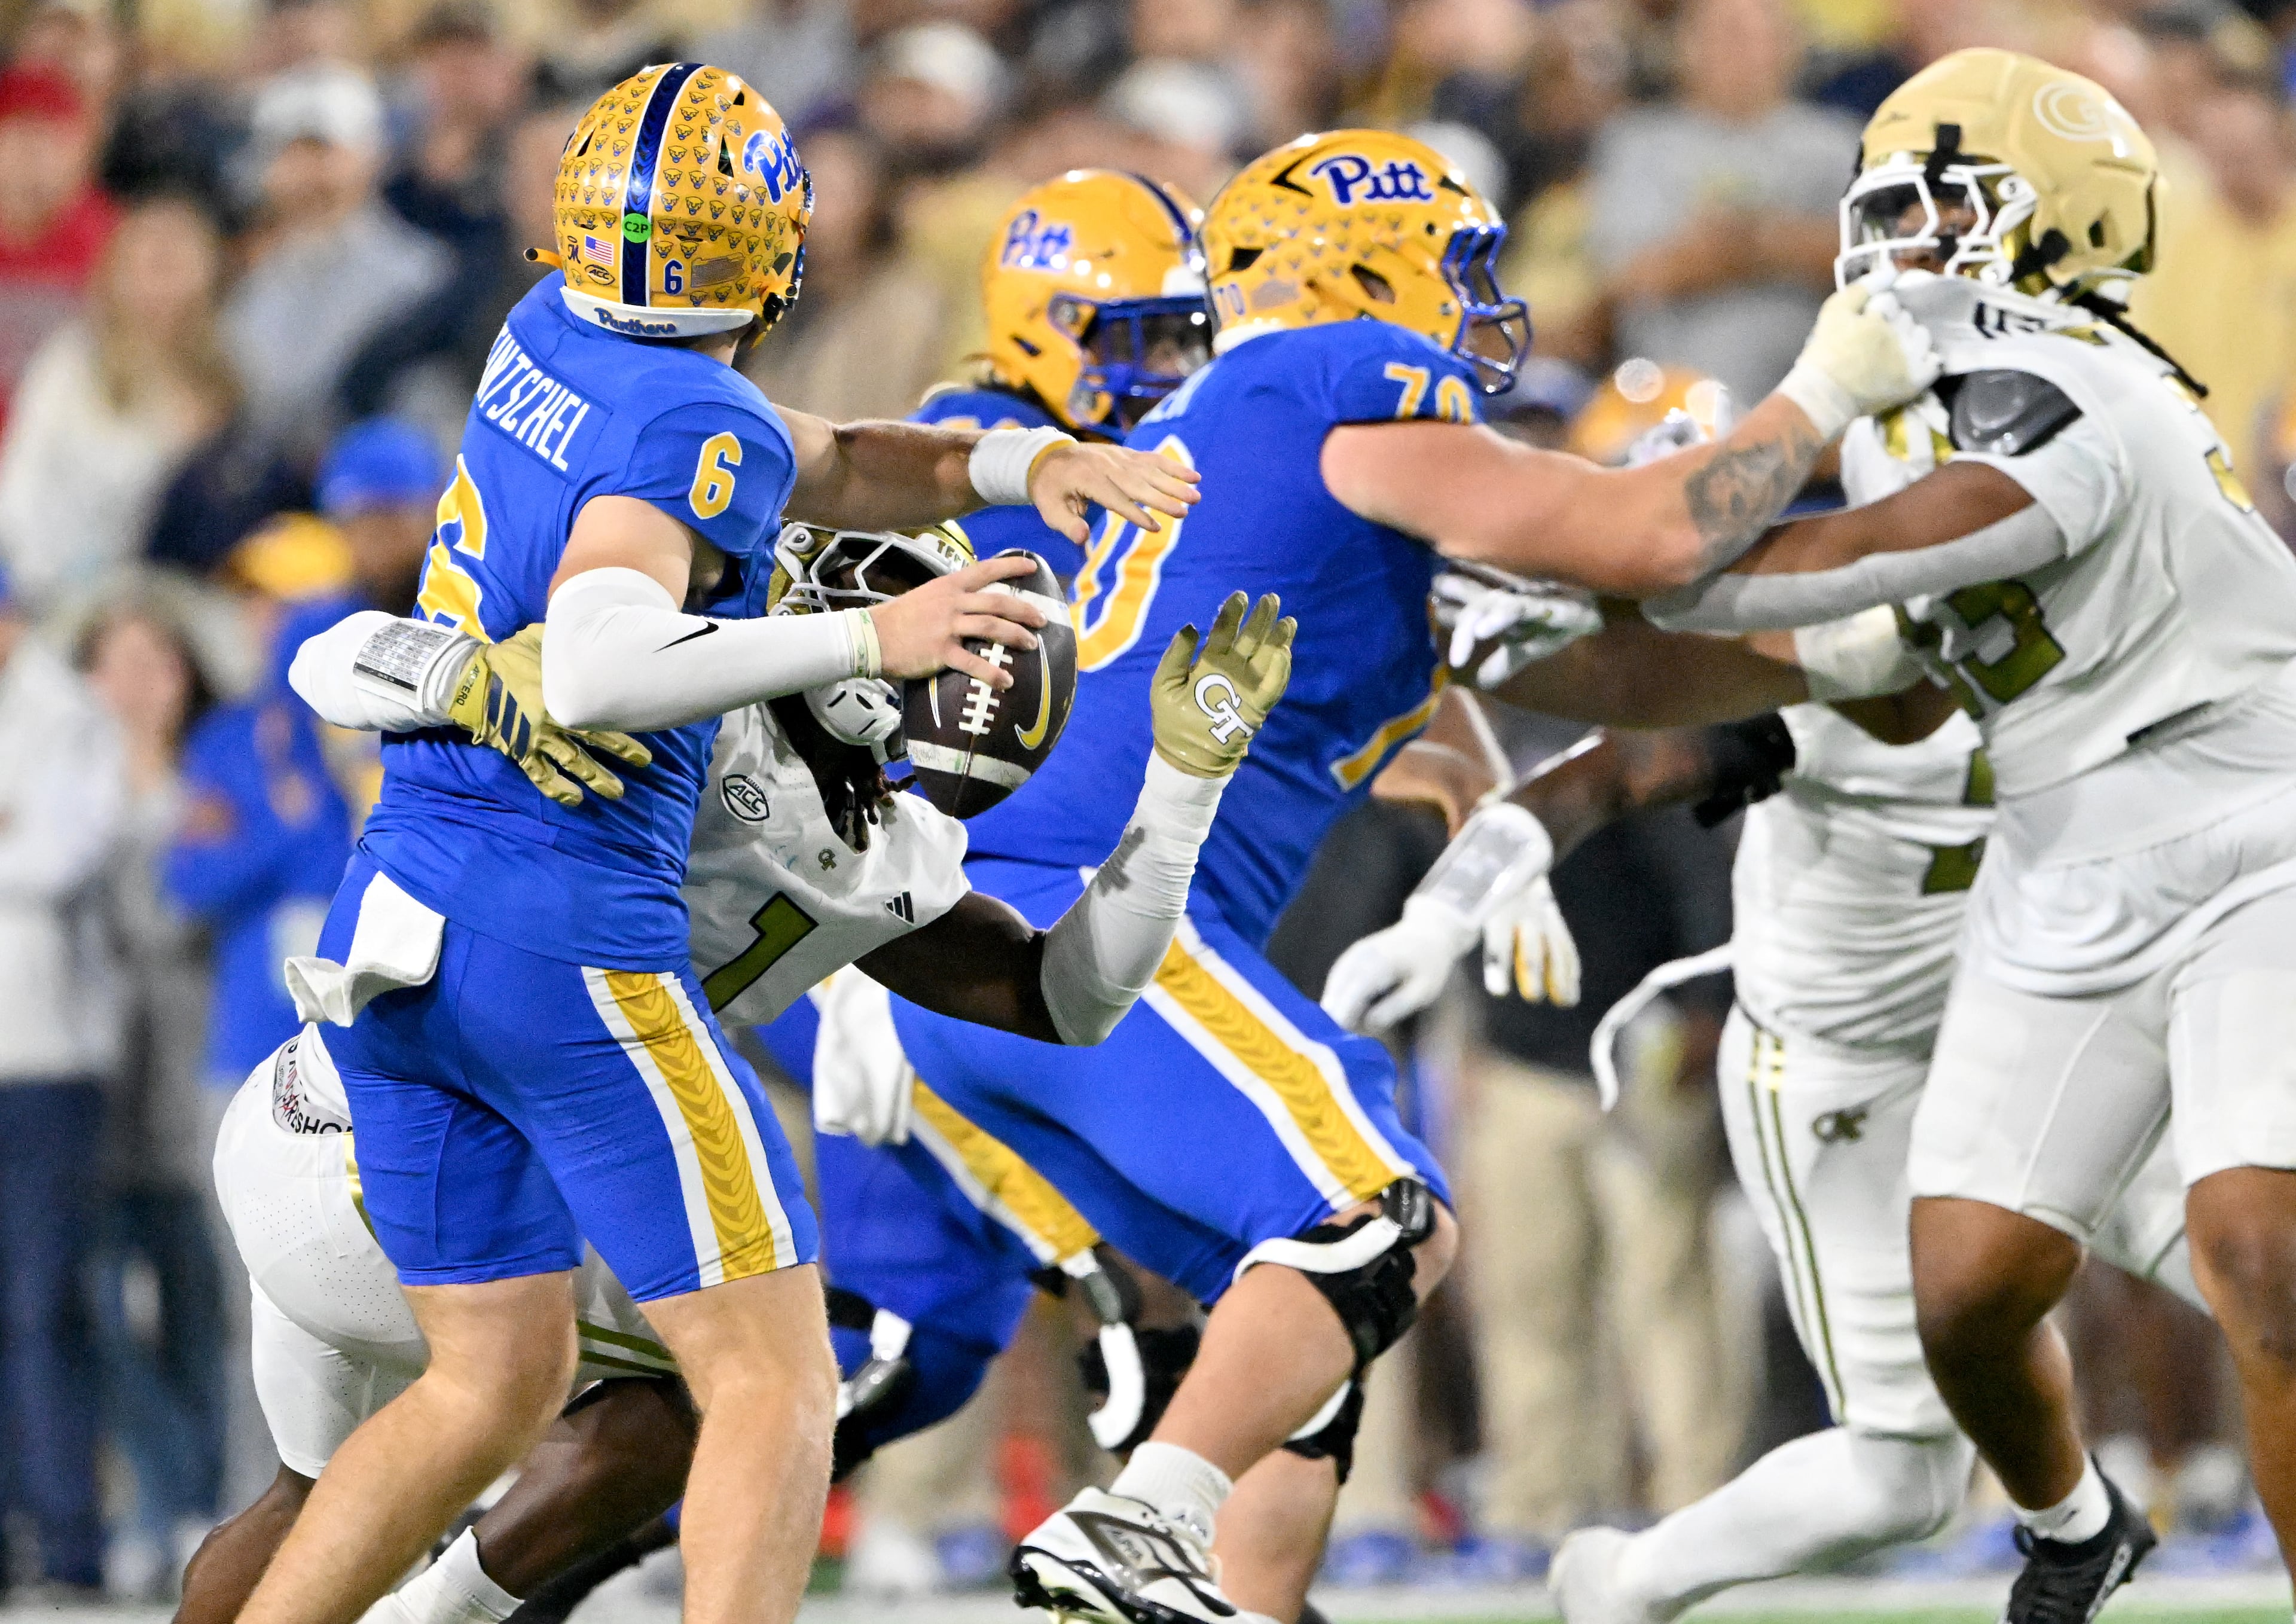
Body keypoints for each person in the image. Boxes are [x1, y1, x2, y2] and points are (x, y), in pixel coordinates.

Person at [882, 125, 1934, 1624]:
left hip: (1025, 951)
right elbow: (1643, 535)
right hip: (1081, 922)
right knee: (1375, 1216)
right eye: (1450, 265)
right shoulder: (1321, 379)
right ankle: (1135, 1528)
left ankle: (1215, 1587)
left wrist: (1846, 655)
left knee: (1305, 1343)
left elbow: (1614, 668)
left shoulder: (1290, 465)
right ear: (1358, 277)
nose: (1473, 301)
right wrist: (1819, 390)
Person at [230, 62, 1194, 1624]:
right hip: (560, 944)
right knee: (773, 1376)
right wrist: (874, 635)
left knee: (488, 1382)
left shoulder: (548, 331)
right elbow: (607, 655)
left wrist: (1032, 462)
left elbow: (835, 459)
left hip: (396, 924)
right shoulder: (701, 430)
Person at [1459, 46, 2296, 1623]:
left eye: (1940, 209)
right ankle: (2076, 1526)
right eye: (1887, 210)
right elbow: (1769, 670)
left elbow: (1796, 569)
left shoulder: (2080, 386)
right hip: (2064, 851)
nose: (1896, 247)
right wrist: (1486, 639)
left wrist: (1562, 561)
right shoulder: (1925, 413)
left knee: (2259, 1247)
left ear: (2058, 225)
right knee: (1969, 1291)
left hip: (2252, 824)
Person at [181, 517, 1287, 1624]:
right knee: (752, 1382)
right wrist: (1181, 792)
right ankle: (437, 1618)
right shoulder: (835, 824)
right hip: (401, 1157)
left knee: (314, 1499)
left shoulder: (757, 757)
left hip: (318, 1117)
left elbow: (332, 658)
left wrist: (463, 670)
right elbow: (1069, 997)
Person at [1326, 683, 2202, 1623]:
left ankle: (2080, 1523)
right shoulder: (1812, 670)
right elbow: (1611, 769)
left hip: (2018, 1030)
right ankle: (1625, 1577)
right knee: (1903, 1479)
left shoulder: (2077, 653)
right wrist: (1441, 916)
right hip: (1840, 1071)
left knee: (2239, 1250)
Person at [77, 591, 229, 1598]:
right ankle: (161, 1496)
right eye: (119, 662)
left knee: (199, 1306)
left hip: (196, 1074)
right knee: (93, 1308)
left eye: (159, 662)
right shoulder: (62, 777)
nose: (138, 685)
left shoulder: (220, 773)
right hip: (87, 1084)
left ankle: (203, 1510)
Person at [0, 562, 126, 1599]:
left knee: (46, 1308)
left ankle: (70, 1540)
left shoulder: (70, 713)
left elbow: (62, 859)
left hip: (48, 1058)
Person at [1586, 0, 1856, 405]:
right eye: (1722, 37)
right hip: (1667, 392)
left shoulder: (1838, 145)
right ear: (1683, 49)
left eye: (1754, 37)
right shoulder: (1638, 143)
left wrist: (1756, 242)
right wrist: (1763, 248)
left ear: (1791, 47)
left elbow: (1875, 265)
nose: (1737, 54)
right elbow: (1626, 278)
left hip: (1812, 396)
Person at [0, 196, 235, 612]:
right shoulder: (71, 363)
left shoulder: (225, 380)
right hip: (54, 584)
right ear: (114, 274)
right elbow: (22, 481)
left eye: (174, 266)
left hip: (179, 594)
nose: (160, 286)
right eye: (148, 265)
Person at [225, 63, 453, 459]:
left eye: (324, 153)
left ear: (373, 156)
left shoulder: (422, 275)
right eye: (291, 155)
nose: (308, 176)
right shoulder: (249, 288)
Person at [0, 64, 117, 442]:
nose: (36, 157)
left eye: (54, 140)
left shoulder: (112, 239)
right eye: (21, 137)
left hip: (71, 442)